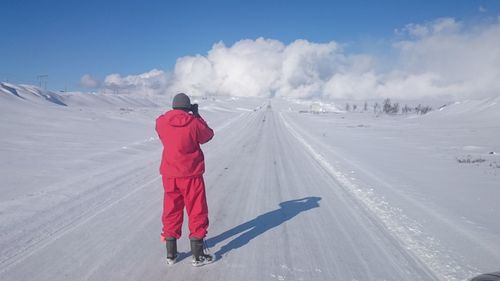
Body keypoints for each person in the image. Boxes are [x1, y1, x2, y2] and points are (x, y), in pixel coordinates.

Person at [155, 93, 214, 266]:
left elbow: (159, 126)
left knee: (171, 210)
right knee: (196, 210)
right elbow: (208, 135)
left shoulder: (162, 122)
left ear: (173, 106)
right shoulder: (194, 123)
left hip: (170, 175)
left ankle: (171, 254)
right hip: (191, 175)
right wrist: (196, 115)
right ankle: (197, 255)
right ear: (188, 107)